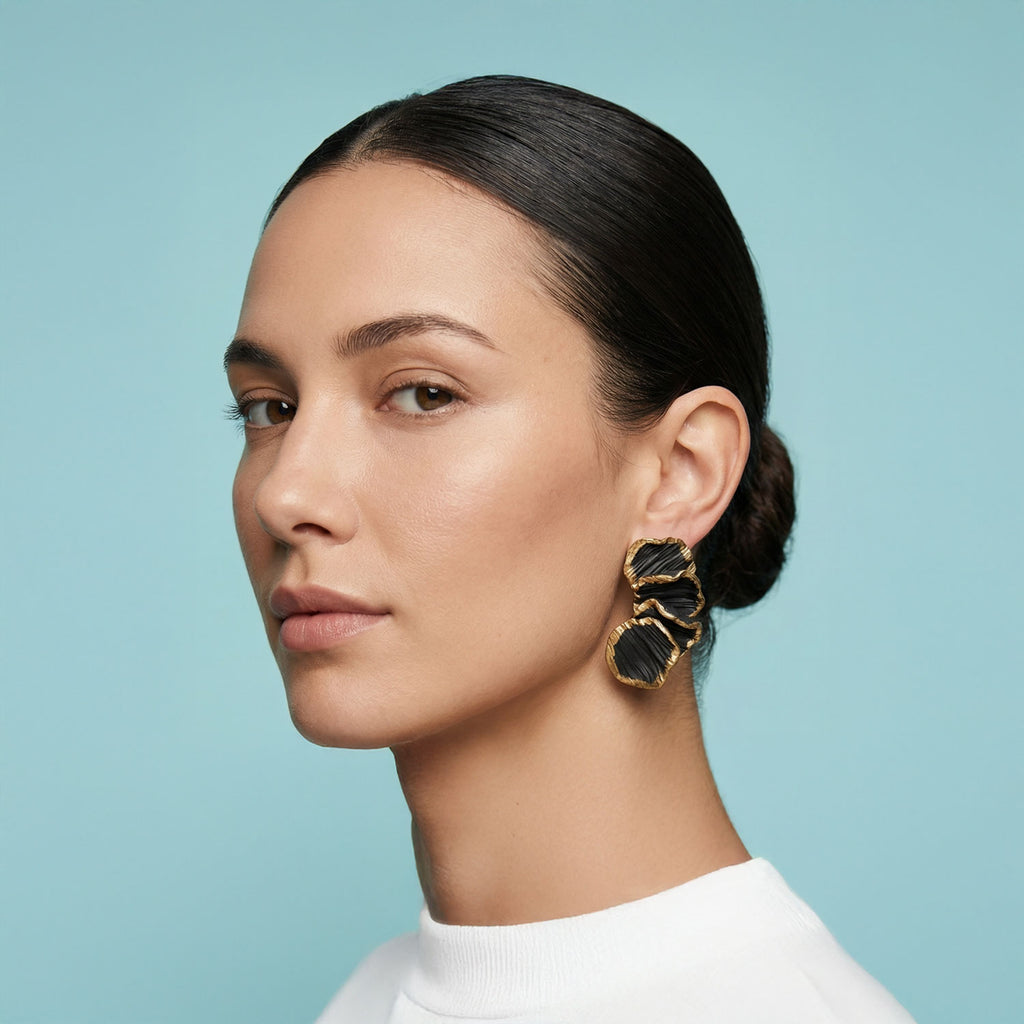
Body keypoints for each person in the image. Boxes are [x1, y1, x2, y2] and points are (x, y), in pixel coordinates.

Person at [225, 75, 916, 1023]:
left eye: (423, 393)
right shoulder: (372, 998)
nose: (285, 491)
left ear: (680, 471)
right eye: (270, 408)